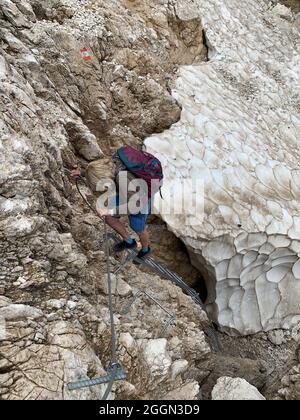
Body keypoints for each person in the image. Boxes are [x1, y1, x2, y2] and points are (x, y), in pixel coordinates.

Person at [70, 153, 152, 260]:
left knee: (137, 227)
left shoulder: (123, 178)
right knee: (109, 217)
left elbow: (135, 205)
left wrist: (112, 211)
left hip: (140, 200)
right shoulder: (113, 162)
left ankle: (145, 250)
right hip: (127, 192)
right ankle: (129, 242)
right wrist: (83, 173)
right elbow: (100, 173)